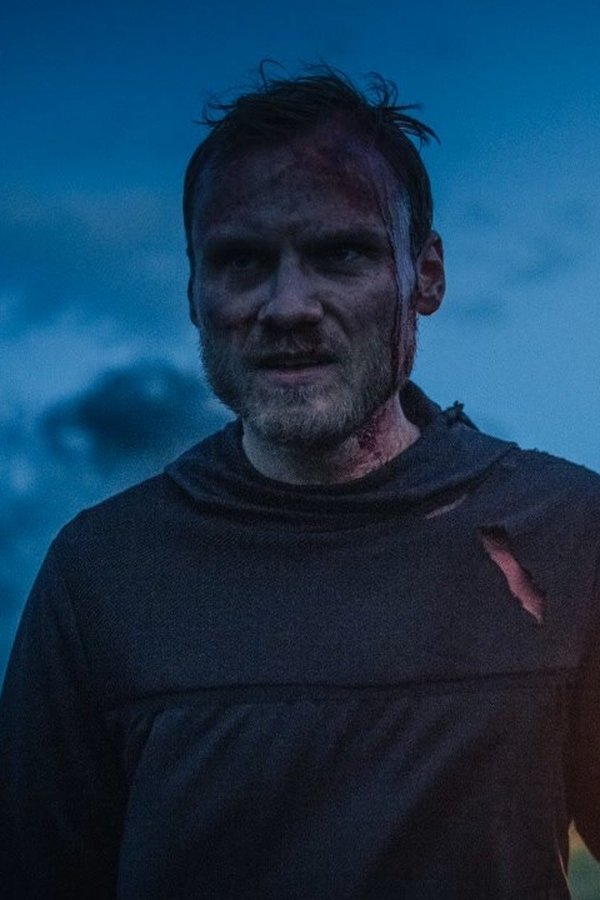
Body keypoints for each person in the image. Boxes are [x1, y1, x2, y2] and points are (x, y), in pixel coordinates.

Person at [1, 65, 599, 900]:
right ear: (194, 291)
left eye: (340, 252)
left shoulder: (569, 534)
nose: (287, 306)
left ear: (425, 275)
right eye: (242, 260)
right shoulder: (99, 575)